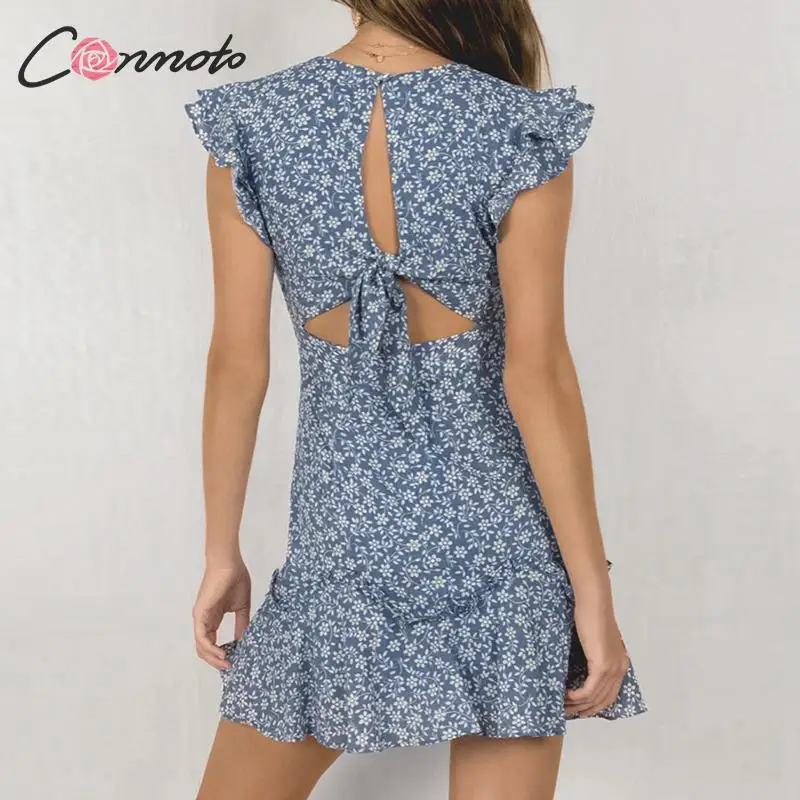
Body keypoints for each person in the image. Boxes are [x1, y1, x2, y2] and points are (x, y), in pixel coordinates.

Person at [185, 1, 646, 797]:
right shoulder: (517, 128)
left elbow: (236, 363)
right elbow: (537, 373)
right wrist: (591, 589)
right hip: (502, 543)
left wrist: (221, 551)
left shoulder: (251, 124)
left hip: (343, 540)